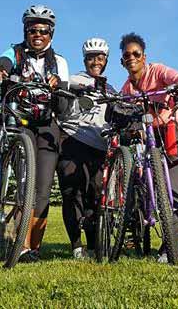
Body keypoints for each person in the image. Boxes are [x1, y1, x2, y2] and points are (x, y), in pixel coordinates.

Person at [0, 4, 69, 262]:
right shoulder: (15, 52)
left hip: (47, 126)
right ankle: (19, 245)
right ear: (25, 31)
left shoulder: (59, 62)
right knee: (23, 182)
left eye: (43, 31)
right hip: (19, 121)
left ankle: (34, 247)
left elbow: (65, 107)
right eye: (32, 30)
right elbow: (3, 61)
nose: (38, 34)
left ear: (51, 34)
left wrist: (58, 89)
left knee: (43, 188)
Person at [119, 32, 178, 263]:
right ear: (122, 61)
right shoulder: (127, 90)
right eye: (126, 56)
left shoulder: (158, 71)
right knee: (150, 190)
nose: (131, 58)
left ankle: (170, 247)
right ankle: (165, 241)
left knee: (174, 192)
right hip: (152, 140)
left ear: (144, 57)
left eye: (136, 54)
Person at [56, 37, 115, 259]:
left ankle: (92, 246)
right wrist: (77, 90)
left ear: (106, 60)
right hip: (72, 140)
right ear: (85, 59)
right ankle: (76, 245)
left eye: (100, 58)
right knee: (72, 192)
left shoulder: (109, 88)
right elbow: (62, 106)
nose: (96, 62)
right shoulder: (73, 80)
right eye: (91, 58)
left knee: (94, 195)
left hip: (99, 147)